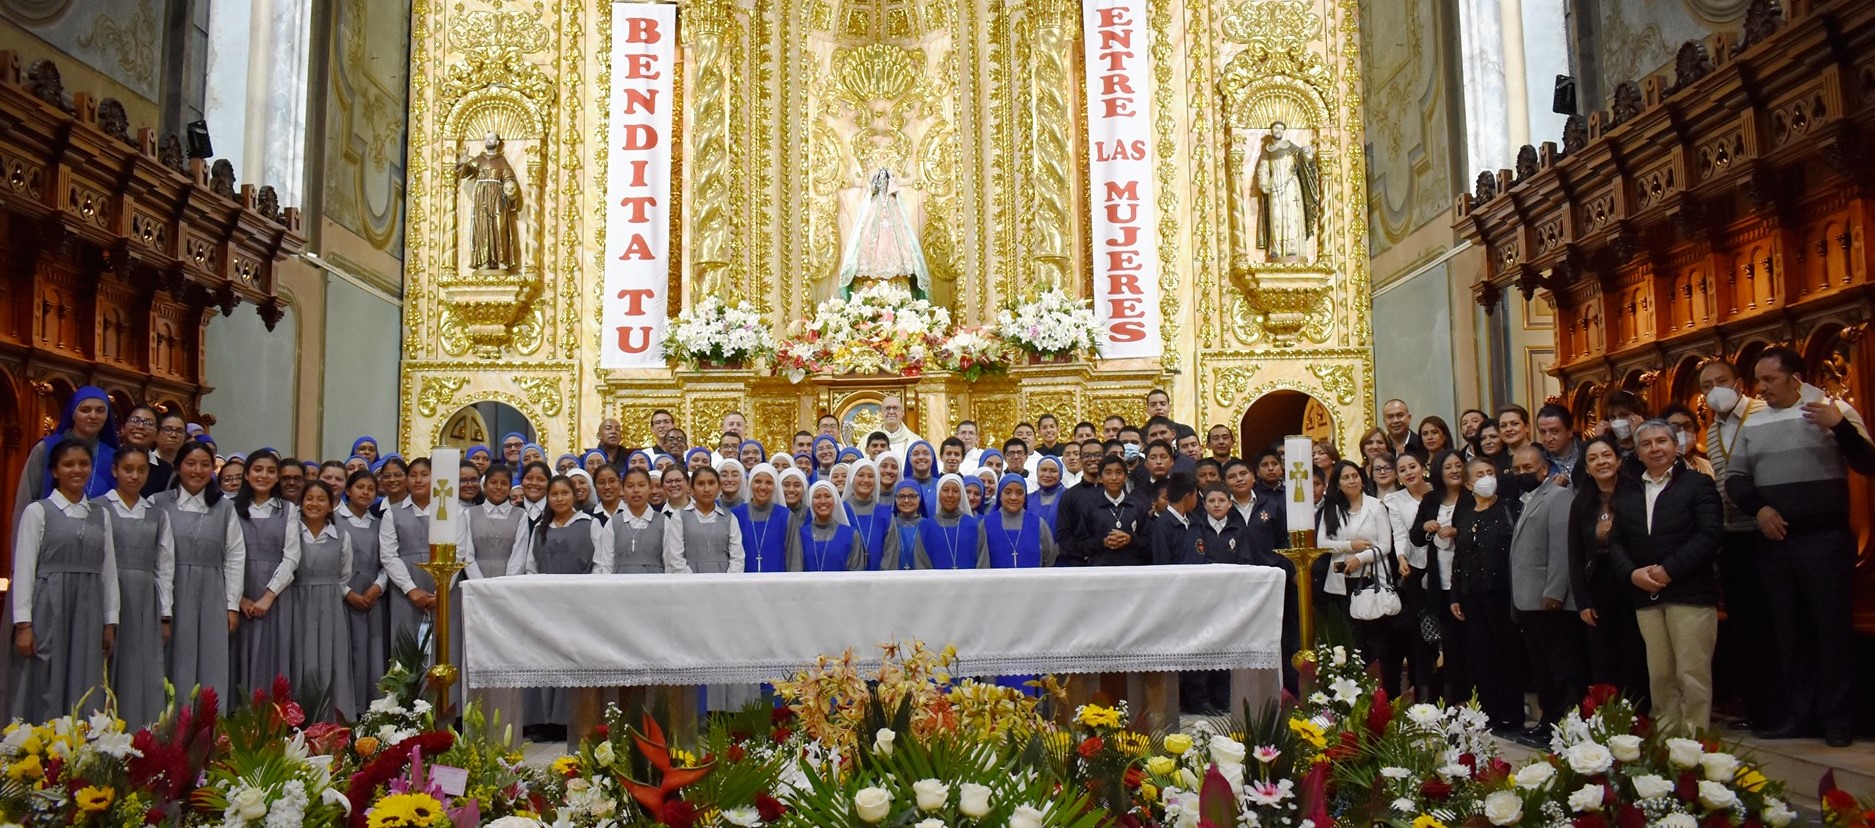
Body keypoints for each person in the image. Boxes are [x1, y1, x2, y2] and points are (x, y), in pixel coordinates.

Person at [1724, 347, 1874, 746]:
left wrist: (1839, 426)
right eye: (1759, 380)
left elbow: (1867, 462)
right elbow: (1736, 478)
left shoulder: (1832, 410)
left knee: (1831, 631)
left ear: (1795, 379)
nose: (1762, 388)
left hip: (1825, 539)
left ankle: (1838, 720)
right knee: (1789, 634)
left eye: (1770, 379)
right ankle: (1799, 716)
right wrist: (1760, 509)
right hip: (1775, 541)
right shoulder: (1753, 422)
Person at [1610, 419, 1723, 734]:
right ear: (1638, 451)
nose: (1655, 448)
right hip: (1645, 594)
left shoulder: (1698, 484)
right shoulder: (1630, 489)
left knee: (1692, 674)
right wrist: (1632, 573)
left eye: (1662, 441)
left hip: (1689, 593)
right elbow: (1616, 539)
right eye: (1646, 443)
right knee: (1660, 675)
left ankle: (1694, 747)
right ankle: (1667, 744)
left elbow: (1710, 534)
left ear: (1676, 446)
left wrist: (1669, 569)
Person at [8, 439, 118, 721]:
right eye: (68, 464)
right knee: (47, 674)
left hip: (89, 606)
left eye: (83, 464)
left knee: (86, 677)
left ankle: (81, 749)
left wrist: (110, 620)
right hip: (49, 602)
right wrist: (23, 624)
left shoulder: (101, 515)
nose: (77, 470)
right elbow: (24, 568)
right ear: (55, 471)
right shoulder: (38, 511)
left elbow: (108, 570)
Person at [1696, 357, 1773, 731]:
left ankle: (1777, 709)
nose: (1715, 391)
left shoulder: (1760, 414)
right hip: (1732, 535)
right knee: (1745, 625)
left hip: (1765, 529)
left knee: (1771, 624)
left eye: (1720, 381)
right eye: (1707, 386)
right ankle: (1758, 707)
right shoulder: (1712, 427)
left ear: (1739, 383)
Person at [509, 474, 613, 739]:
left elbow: (600, 564)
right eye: (554, 494)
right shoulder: (540, 528)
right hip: (546, 605)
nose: (559, 498)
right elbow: (531, 566)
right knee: (545, 659)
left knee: (574, 659)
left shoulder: (591, 524)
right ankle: (544, 721)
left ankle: (573, 719)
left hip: (580, 604)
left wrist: (587, 593)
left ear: (574, 496)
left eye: (564, 494)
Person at [155, 440, 242, 710]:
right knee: (174, 657)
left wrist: (231, 605)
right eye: (191, 463)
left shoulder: (224, 507)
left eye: (205, 464)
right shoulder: (158, 503)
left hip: (212, 591)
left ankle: (208, 730)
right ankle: (170, 728)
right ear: (178, 467)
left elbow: (236, 556)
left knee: (211, 659)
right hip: (172, 589)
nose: (197, 470)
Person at [1507, 443, 1585, 738]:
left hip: (1550, 599)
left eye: (1528, 468)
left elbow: (1561, 548)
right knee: (1542, 666)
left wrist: (1555, 590)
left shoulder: (1559, 496)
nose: (1522, 473)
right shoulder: (1528, 498)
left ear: (1543, 468)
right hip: (1528, 600)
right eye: (1516, 469)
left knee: (1561, 664)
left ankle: (1565, 719)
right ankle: (1548, 719)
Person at [1566, 436, 1648, 704]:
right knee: (1603, 658)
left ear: (1618, 460)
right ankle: (1606, 719)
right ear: (1587, 468)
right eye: (1593, 458)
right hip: (1597, 584)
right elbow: (1575, 554)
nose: (1601, 462)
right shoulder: (1581, 503)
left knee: (1634, 655)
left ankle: (1638, 719)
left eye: (1606, 455)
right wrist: (1582, 601)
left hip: (1632, 582)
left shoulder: (1638, 494)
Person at [1448, 456, 1524, 732]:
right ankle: (1488, 711)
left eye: (1490, 472)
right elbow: (1459, 557)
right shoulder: (1467, 516)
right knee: (1481, 655)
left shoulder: (1510, 508)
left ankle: (1512, 713)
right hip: (1473, 594)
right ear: (1469, 484)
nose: (1486, 478)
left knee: (1508, 653)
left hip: (1503, 593)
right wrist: (1456, 594)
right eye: (1479, 475)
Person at [99, 446, 173, 727]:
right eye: (128, 469)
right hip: (106, 592)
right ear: (115, 470)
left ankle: (138, 730)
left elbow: (164, 566)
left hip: (143, 597)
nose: (134, 476)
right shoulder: (98, 508)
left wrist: (165, 613)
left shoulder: (156, 514)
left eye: (141, 470)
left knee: (138, 667)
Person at [233, 450, 301, 696]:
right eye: (258, 470)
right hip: (238, 589)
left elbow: (292, 556)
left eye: (271, 471)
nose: (264, 475)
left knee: (274, 655)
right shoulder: (230, 508)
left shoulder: (288, 510)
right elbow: (226, 556)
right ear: (247, 474)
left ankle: (272, 722)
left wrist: (268, 596)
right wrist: (238, 598)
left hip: (276, 594)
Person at [1317, 461, 1396, 673]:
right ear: (1337, 484)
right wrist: (1349, 546)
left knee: (1376, 639)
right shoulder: (1331, 509)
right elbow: (1321, 543)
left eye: (1355, 476)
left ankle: (1379, 688)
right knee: (1352, 639)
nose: (1351, 481)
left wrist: (1360, 558)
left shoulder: (1376, 506)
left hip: (1371, 578)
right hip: (1342, 582)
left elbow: (1386, 545)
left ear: (1362, 479)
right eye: (1345, 478)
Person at [290, 480, 355, 719]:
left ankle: (331, 720)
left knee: (331, 658)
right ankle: (299, 719)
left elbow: (344, 574)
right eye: (309, 499)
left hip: (330, 604)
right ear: (301, 502)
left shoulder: (341, 536)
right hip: (298, 601)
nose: (314, 504)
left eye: (321, 499)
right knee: (300, 658)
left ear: (331, 506)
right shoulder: (292, 532)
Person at [1410, 450, 1468, 705]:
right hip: (1438, 582)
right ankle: (1449, 698)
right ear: (1439, 473)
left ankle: (1469, 697)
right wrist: (1425, 527)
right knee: (1446, 646)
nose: (1455, 470)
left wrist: (1459, 532)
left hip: (1466, 581)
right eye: (1449, 467)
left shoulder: (1470, 498)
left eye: (1458, 465)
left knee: (1466, 644)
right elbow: (1415, 536)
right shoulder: (1431, 500)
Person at [14, 386, 119, 524]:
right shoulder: (46, 448)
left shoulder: (113, 456)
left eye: (100, 411)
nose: (93, 416)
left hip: (95, 536)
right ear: (73, 414)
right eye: (85, 410)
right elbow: (25, 499)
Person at [336, 469, 387, 707]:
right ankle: (346, 707)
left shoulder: (379, 524)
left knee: (371, 652)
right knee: (346, 650)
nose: (365, 492)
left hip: (372, 595)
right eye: (360, 487)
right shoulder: (334, 520)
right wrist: (347, 592)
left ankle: (370, 707)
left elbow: (387, 560)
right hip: (343, 594)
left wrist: (377, 586)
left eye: (370, 489)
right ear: (348, 490)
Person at [379, 457, 438, 656]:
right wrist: (410, 589)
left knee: (442, 647)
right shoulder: (392, 513)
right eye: (413, 475)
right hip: (405, 588)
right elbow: (388, 555)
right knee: (405, 646)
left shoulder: (451, 511)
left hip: (442, 586)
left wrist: (442, 590)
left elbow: (460, 552)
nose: (418, 480)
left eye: (424, 475)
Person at [1062, 456, 1150, 566]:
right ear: (1100, 478)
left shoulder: (1138, 506)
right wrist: (1103, 542)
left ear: (1126, 477)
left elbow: (1149, 542)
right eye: (1108, 473)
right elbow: (1080, 545)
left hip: (1132, 569)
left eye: (1119, 473)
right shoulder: (1089, 507)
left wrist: (1130, 540)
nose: (1114, 478)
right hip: (1099, 570)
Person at [663, 466, 744, 573]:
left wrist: (726, 583)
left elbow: (737, 558)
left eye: (711, 483)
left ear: (719, 487)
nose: (707, 489)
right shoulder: (679, 517)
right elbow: (675, 558)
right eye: (701, 484)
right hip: (689, 583)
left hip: (724, 584)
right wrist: (696, 584)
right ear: (691, 489)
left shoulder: (729, 518)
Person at [789, 481, 864, 571]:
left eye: (827, 496)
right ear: (811, 502)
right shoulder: (800, 534)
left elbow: (856, 573)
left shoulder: (851, 535)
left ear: (835, 500)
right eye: (817, 497)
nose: (823, 501)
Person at [916, 475, 984, 569]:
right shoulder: (925, 527)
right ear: (938, 493)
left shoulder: (975, 525)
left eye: (955, 491)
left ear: (962, 495)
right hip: (934, 583)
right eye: (945, 490)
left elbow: (983, 565)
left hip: (970, 583)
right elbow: (921, 565)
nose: (950, 495)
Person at [607, 468, 667, 573]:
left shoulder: (663, 522)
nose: (636, 490)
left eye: (641, 485)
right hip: (619, 585)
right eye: (630, 486)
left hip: (655, 586)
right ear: (622, 489)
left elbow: (670, 563)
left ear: (649, 488)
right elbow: (605, 564)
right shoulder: (613, 523)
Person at [734, 463, 791, 573]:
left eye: (769, 482)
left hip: (778, 583)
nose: (763, 487)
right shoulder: (736, 515)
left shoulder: (786, 516)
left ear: (775, 486)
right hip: (743, 583)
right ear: (750, 484)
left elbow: (793, 558)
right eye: (758, 481)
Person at [1149, 472, 1199, 566]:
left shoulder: (1195, 521)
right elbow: (1162, 563)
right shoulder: (1162, 526)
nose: (1197, 499)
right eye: (1195, 496)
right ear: (1187, 497)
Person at [1534, 404, 1584, 484]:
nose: (1548, 438)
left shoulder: (1587, 454)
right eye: (1543, 432)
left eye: (1554, 431)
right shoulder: (1537, 462)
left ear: (1570, 431)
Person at [1494, 405, 1533, 473]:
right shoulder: (1496, 462)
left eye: (1514, 424)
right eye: (1503, 426)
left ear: (1527, 427)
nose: (1509, 429)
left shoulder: (1542, 453)